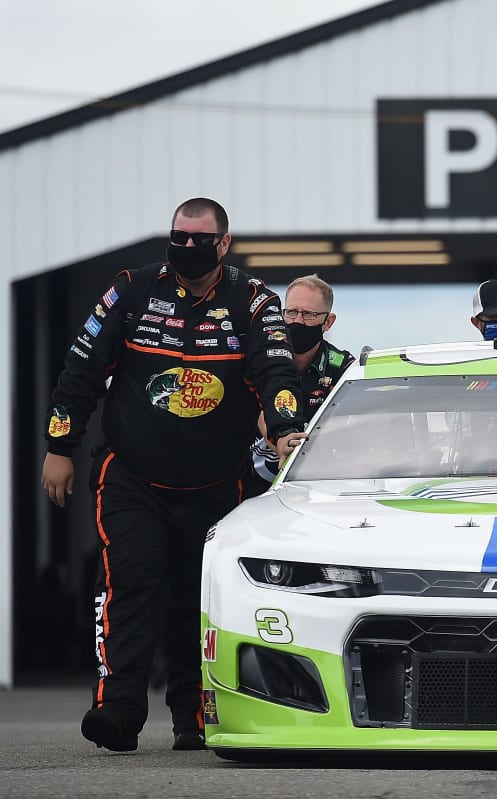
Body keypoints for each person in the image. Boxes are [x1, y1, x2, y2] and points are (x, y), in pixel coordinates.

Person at [41, 198, 306, 753]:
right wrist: (59, 446)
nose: (187, 247)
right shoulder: (132, 289)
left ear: (224, 244)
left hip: (218, 483)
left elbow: (276, 368)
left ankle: (194, 715)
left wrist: (285, 429)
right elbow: (81, 368)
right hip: (131, 476)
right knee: (130, 583)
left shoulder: (253, 301)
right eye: (178, 237)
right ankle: (117, 708)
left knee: (199, 599)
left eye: (199, 239)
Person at [244, 274, 355, 497]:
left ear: (329, 321)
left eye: (309, 315)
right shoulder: (258, 358)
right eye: (291, 312)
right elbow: (261, 413)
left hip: (319, 488)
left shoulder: (343, 368)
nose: (297, 321)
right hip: (249, 486)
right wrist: (282, 441)